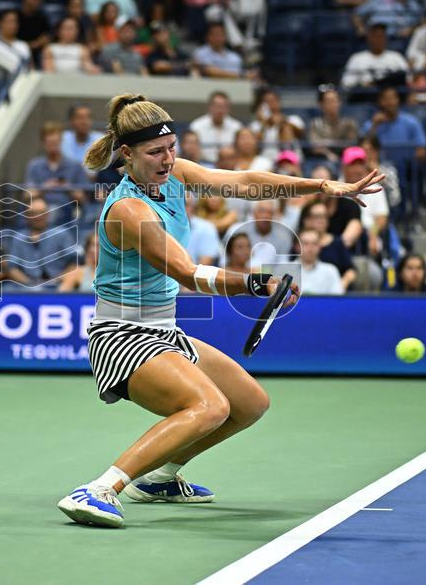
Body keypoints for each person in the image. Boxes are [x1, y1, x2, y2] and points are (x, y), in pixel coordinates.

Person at [58, 93, 383, 528]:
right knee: (209, 406)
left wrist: (321, 186)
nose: (168, 159)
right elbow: (187, 273)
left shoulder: (174, 175)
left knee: (249, 403)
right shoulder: (129, 210)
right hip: (121, 337)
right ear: (127, 154)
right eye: (155, 152)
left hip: (162, 331)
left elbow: (246, 183)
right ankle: (100, 488)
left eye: (172, 147)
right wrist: (255, 282)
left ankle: (160, 477)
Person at [26, 121, 89, 223]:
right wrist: (45, 187)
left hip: (67, 208)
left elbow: (83, 198)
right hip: (41, 207)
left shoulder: (74, 166)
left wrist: (67, 187)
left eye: (55, 143)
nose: (52, 146)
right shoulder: (35, 166)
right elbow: (27, 195)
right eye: (49, 143)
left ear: (60, 141)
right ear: (43, 143)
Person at [341, 23, 410, 89]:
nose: (378, 40)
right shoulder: (356, 58)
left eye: (381, 36)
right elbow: (346, 84)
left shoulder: (396, 57)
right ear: (368, 38)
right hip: (366, 97)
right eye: (375, 36)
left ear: (386, 38)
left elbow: (408, 79)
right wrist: (364, 85)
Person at [250, 86, 305, 162]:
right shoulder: (255, 125)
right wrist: (264, 123)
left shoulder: (294, 119)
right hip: (266, 161)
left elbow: (301, 134)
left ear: (279, 102)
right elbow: (253, 147)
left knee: (286, 128)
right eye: (266, 102)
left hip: (290, 161)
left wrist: (282, 121)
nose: (270, 104)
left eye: (273, 100)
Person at [189, 91, 243, 164]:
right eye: (217, 106)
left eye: (223, 107)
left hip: (229, 166)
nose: (220, 110)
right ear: (210, 107)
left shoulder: (237, 126)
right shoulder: (196, 126)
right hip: (203, 164)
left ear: (228, 108)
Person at [309, 86, 360, 162]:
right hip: (322, 161)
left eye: (335, 100)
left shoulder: (349, 124)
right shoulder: (315, 124)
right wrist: (328, 154)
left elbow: (352, 146)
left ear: (340, 102)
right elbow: (315, 147)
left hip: (346, 160)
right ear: (321, 104)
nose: (332, 104)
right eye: (328, 101)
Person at [296, 228, 344, 295]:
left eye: (314, 244)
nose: (310, 248)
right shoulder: (285, 269)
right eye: (306, 244)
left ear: (320, 246)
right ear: (297, 246)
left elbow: (337, 300)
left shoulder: (331, 270)